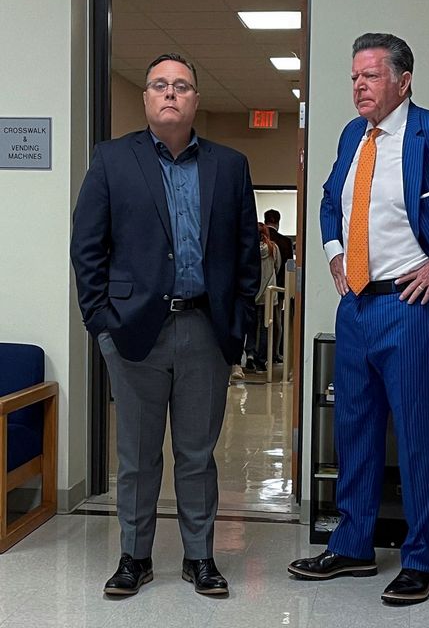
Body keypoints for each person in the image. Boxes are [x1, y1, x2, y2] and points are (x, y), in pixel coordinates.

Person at [288, 33, 429, 605]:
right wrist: (335, 251)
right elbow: (328, 199)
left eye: (370, 75)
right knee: (354, 432)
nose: (359, 86)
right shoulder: (349, 137)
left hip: (412, 308)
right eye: (354, 77)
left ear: (403, 80)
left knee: (418, 438)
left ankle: (420, 560)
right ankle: (353, 545)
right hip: (357, 305)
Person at [71, 52, 260, 599]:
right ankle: (135, 556)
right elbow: (87, 249)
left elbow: (247, 254)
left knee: (197, 455)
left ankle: (200, 557)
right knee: (137, 455)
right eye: (160, 85)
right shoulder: (112, 160)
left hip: (206, 329)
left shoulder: (229, 166)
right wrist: (100, 323)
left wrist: (239, 322)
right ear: (147, 99)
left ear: (196, 99)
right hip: (133, 332)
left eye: (181, 86)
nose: (170, 93)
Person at [245, 223, 281, 373]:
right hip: (268, 294)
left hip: (253, 293)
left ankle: (250, 353)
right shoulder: (274, 248)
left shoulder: (249, 250)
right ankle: (261, 360)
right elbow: (277, 268)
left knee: (251, 327)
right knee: (265, 328)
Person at [264, 209, 294, 361]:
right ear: (278, 221)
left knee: (258, 322)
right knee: (277, 321)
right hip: (279, 287)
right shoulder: (285, 242)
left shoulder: (258, 239)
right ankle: (274, 353)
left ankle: (256, 354)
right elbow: (290, 267)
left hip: (257, 289)